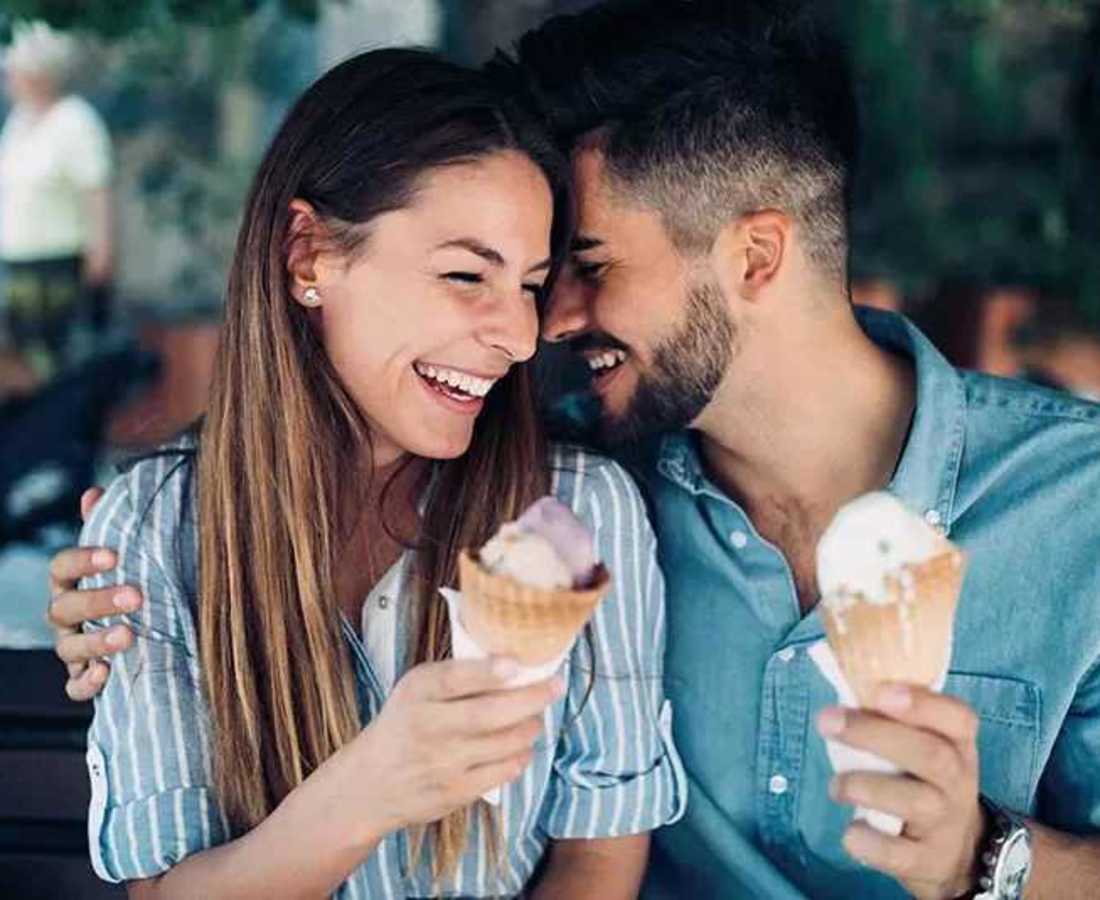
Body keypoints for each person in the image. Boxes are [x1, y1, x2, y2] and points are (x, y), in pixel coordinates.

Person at [49, 4, 1100, 898]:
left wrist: (987, 856)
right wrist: (137, 563)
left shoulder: (1078, 503)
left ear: (754, 254)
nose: (537, 328)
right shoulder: (584, 508)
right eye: (499, 276)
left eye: (580, 265)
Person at [48, 48, 683, 899]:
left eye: (529, 286)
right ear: (309, 255)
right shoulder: (154, 525)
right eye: (466, 275)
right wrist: (372, 787)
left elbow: (598, 856)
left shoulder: (576, 513)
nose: (520, 337)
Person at [0, 21, 114, 382]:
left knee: (56, 364)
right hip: (17, 265)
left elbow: (96, 189)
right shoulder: (18, 121)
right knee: (22, 360)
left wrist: (102, 252)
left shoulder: (75, 121)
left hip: (59, 266)